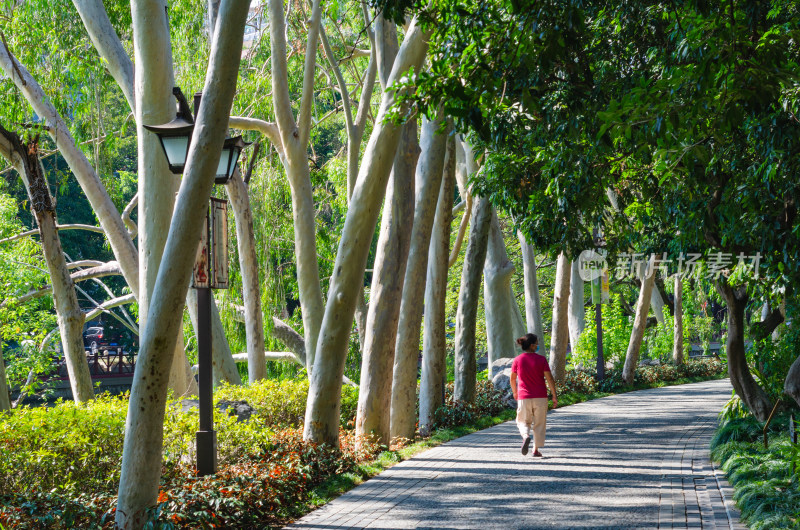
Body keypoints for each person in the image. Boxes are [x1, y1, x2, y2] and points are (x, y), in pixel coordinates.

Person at [510, 333, 558, 457]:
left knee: (522, 421)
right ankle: (535, 449)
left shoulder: (517, 360)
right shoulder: (541, 359)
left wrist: (515, 392)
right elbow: (550, 378)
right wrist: (554, 395)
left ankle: (525, 436)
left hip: (524, 397)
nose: (538, 345)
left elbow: (512, 378)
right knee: (539, 423)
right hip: (541, 397)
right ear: (532, 346)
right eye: (536, 343)